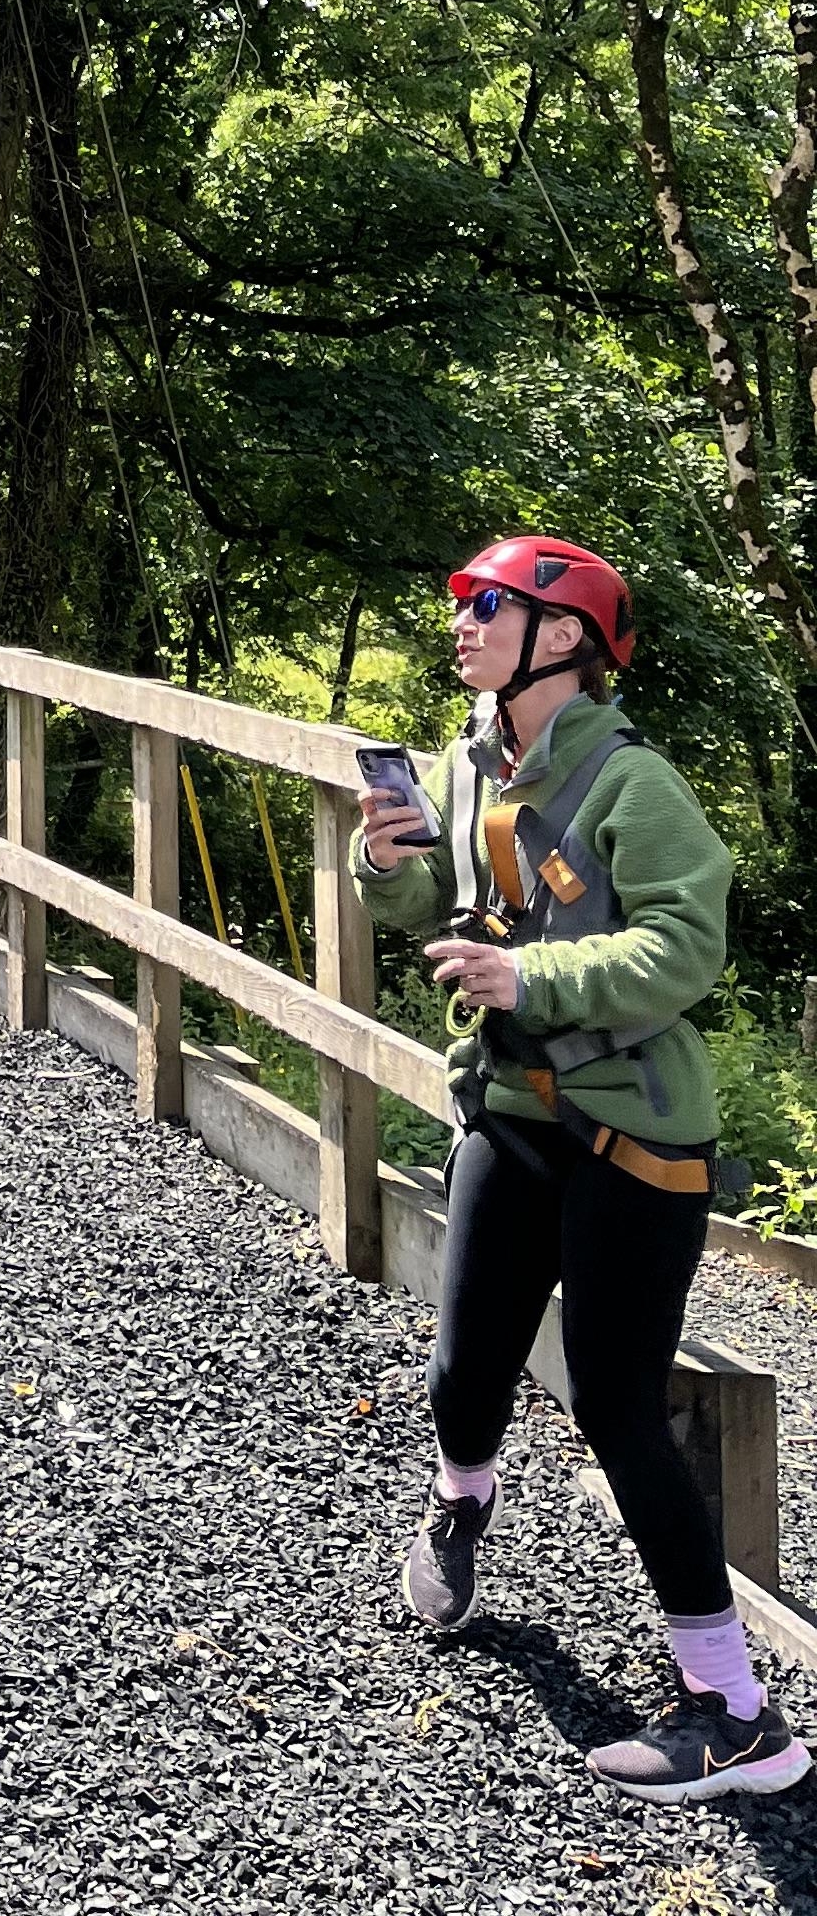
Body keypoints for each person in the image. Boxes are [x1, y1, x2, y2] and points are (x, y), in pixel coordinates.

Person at [353, 534, 806, 1803]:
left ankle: (738, 1716)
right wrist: (384, 866)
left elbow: (687, 949)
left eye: (486, 604)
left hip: (635, 1136)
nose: (460, 621)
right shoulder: (468, 764)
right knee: (462, 1370)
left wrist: (531, 975)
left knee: (616, 1407)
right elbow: (434, 918)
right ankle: (461, 1505)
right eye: (461, 603)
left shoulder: (634, 782)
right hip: (509, 1108)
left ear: (562, 637)